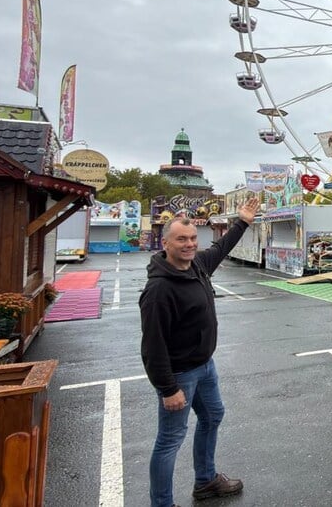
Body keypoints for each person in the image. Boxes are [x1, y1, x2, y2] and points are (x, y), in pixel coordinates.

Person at [140, 195, 260, 507]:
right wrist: (168, 389)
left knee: (213, 415)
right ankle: (161, 503)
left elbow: (221, 248)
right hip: (179, 374)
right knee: (169, 440)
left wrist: (243, 221)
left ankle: (206, 481)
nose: (190, 244)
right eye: (182, 239)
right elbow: (152, 346)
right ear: (166, 243)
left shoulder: (198, 266)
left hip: (205, 366)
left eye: (193, 238)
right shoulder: (158, 290)